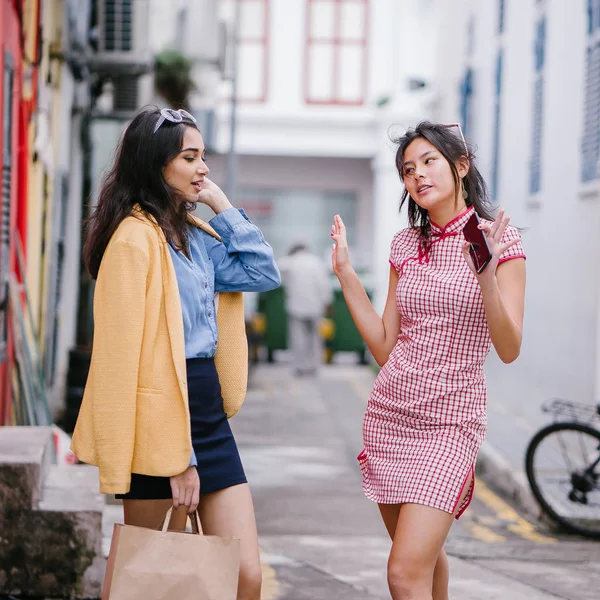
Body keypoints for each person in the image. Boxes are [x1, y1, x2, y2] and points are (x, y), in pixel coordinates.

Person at [71, 106, 280, 600]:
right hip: (158, 424)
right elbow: (125, 360)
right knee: (148, 577)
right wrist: (176, 457)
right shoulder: (132, 242)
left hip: (207, 416)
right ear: (156, 163)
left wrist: (223, 207)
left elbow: (261, 273)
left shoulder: (194, 235)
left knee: (245, 574)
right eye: (190, 157)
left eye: (203, 156)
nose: (202, 168)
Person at [330, 121, 526, 600]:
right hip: (390, 417)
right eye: (407, 169)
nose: (417, 176)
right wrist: (346, 274)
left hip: (450, 424)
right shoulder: (405, 245)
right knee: (423, 561)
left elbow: (508, 347)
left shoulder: (501, 241)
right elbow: (383, 345)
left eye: (428, 162)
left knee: (402, 572)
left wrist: (484, 273)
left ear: (461, 166)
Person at [277, 242, 332, 376]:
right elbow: (324, 284)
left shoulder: (291, 262)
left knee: (298, 338)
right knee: (315, 338)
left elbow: (277, 266)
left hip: (296, 307)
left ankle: (299, 366)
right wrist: (327, 302)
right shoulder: (316, 262)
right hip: (315, 307)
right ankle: (313, 366)